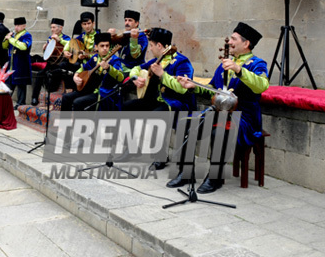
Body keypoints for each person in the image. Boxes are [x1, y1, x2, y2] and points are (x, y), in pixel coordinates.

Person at [176, 22, 269, 193]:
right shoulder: (225, 63)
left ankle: (215, 178)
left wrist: (239, 70)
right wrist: (193, 85)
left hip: (244, 117)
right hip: (220, 112)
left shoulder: (257, 64)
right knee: (188, 124)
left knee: (218, 131)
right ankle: (186, 172)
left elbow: (262, 85)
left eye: (233, 38)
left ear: (246, 43)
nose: (229, 42)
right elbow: (211, 87)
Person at [124, 27, 195, 171]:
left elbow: (183, 88)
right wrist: (136, 78)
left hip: (177, 103)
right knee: (127, 107)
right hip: (157, 99)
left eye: (151, 45)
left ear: (160, 46)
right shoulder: (156, 61)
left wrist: (162, 75)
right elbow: (136, 68)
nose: (149, 49)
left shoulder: (182, 62)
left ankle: (161, 156)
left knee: (157, 115)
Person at [64, 32, 124, 113]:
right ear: (96, 47)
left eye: (107, 46)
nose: (105, 48)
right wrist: (75, 76)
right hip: (90, 89)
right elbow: (84, 68)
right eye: (102, 46)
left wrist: (109, 68)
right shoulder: (95, 57)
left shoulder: (114, 60)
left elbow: (121, 77)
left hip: (102, 93)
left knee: (77, 102)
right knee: (66, 98)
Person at [31, 18, 70, 106]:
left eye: (54, 27)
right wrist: (44, 49)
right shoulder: (50, 38)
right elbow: (47, 55)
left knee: (52, 76)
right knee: (40, 74)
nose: (52, 29)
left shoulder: (66, 38)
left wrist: (59, 40)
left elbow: (70, 46)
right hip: (51, 64)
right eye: (51, 27)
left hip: (61, 64)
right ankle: (34, 97)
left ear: (60, 28)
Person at [2, 17, 32, 109]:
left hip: (21, 64)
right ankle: (5, 102)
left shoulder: (27, 35)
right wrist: (6, 39)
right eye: (15, 25)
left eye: (18, 25)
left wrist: (11, 39)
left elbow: (23, 47)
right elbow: (4, 46)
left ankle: (20, 103)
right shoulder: (14, 35)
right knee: (9, 83)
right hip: (12, 63)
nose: (16, 27)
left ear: (24, 25)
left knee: (21, 84)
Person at [108, 10, 148, 74]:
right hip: (121, 67)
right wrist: (110, 38)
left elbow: (135, 55)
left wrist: (134, 39)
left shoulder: (142, 37)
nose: (127, 23)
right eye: (125, 20)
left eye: (130, 20)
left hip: (133, 70)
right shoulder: (124, 34)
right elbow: (110, 49)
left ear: (136, 23)